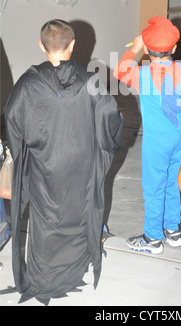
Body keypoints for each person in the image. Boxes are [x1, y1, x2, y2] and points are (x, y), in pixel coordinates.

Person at [4, 19, 123, 304]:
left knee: (47, 217)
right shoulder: (91, 80)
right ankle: (74, 267)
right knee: (79, 209)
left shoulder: (29, 82)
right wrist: (110, 138)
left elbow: (12, 118)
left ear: (41, 46)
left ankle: (45, 277)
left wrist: (22, 146)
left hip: (46, 163)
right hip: (82, 161)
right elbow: (110, 118)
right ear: (72, 45)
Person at [114, 16, 181, 254]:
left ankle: (153, 238)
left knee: (153, 188)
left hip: (156, 143)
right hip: (179, 137)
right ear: (174, 48)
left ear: (148, 50)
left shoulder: (142, 75)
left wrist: (135, 47)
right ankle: (173, 231)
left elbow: (120, 71)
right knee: (173, 183)